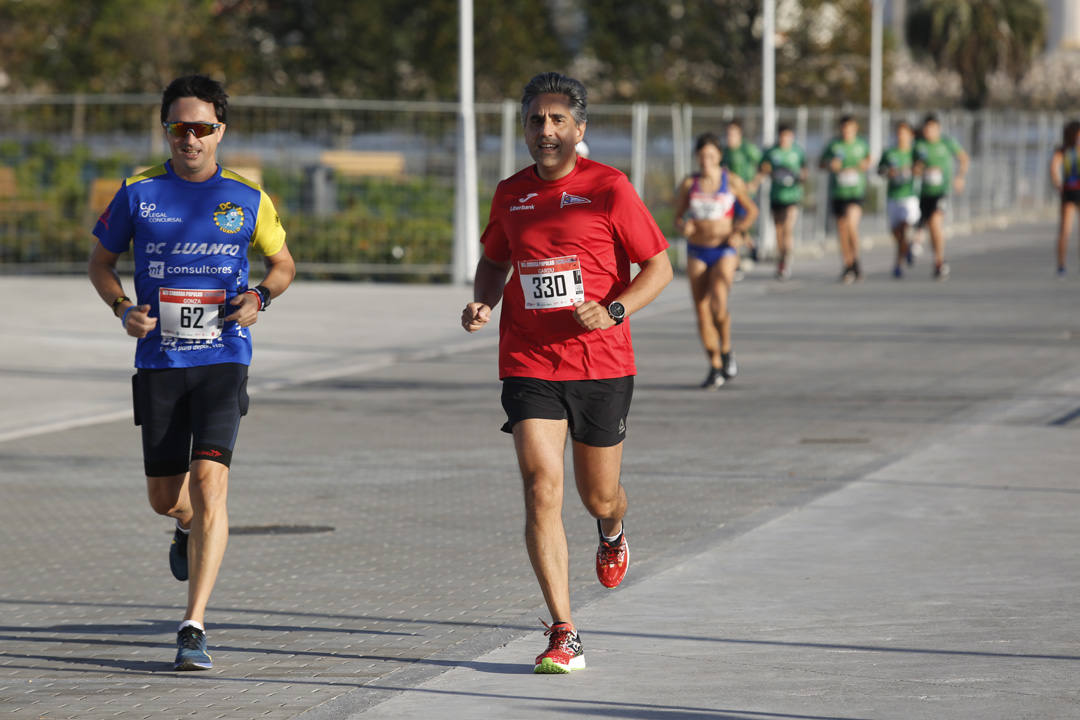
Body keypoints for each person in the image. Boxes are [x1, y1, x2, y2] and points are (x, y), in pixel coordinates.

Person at [461, 72, 672, 674]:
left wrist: (613, 310)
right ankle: (564, 629)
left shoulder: (609, 188)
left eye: (557, 120)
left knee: (597, 493)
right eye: (535, 120)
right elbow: (494, 259)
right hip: (529, 360)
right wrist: (485, 299)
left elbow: (658, 267)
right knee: (539, 485)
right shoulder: (510, 194)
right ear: (524, 128)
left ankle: (611, 528)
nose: (546, 130)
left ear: (579, 129)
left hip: (602, 363)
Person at [88, 75, 296, 671]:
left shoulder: (248, 197)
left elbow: (282, 265)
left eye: (203, 128)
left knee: (211, 484)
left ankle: (193, 624)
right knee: (167, 498)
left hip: (223, 358)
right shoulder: (137, 192)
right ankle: (184, 526)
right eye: (181, 128)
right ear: (167, 131)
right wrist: (122, 307)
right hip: (159, 361)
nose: (192, 138)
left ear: (220, 132)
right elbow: (101, 262)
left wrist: (261, 296)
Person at [674, 133, 758, 388]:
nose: (706, 160)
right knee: (701, 310)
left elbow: (751, 211)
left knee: (718, 303)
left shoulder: (731, 181)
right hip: (697, 250)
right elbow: (678, 217)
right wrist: (683, 227)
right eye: (702, 156)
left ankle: (727, 348)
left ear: (719, 156)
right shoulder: (690, 184)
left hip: (724, 249)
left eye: (711, 155)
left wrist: (739, 232)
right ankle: (715, 365)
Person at [914, 113, 969, 280]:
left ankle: (939, 261)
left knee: (936, 224)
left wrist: (959, 177)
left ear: (938, 129)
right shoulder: (919, 145)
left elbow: (964, 158)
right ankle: (929, 250)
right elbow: (914, 168)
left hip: (941, 191)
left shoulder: (946, 142)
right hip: (925, 192)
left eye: (932, 129)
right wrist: (922, 170)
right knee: (930, 227)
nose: (929, 132)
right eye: (926, 129)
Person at [820, 115, 871, 284]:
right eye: (844, 129)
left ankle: (856, 259)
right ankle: (848, 264)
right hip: (838, 192)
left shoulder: (861, 144)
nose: (847, 132)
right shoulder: (834, 145)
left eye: (850, 129)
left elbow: (869, 159)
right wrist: (830, 165)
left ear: (855, 129)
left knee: (851, 225)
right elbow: (821, 163)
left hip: (855, 192)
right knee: (842, 230)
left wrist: (864, 165)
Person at [756, 123, 806, 280]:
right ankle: (781, 259)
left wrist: (798, 177)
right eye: (782, 136)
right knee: (778, 230)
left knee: (787, 228)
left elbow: (804, 170)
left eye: (788, 136)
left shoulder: (797, 151)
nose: (785, 139)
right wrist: (766, 171)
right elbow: (762, 168)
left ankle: (786, 259)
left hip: (792, 196)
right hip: (776, 196)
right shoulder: (771, 152)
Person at [878, 120, 921, 279]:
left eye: (904, 133)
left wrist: (913, 170)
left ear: (910, 135)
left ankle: (898, 264)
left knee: (904, 228)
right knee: (897, 234)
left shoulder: (915, 152)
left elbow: (922, 167)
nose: (901, 136)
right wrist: (890, 173)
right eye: (899, 133)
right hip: (893, 196)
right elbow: (880, 170)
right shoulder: (890, 153)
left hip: (909, 196)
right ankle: (907, 249)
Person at [721, 119, 763, 270]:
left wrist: (754, 183)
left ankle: (737, 260)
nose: (730, 137)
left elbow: (763, 165)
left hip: (745, 195)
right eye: (728, 134)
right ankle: (748, 249)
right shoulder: (725, 152)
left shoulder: (747, 149)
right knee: (734, 226)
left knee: (738, 225)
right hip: (730, 195)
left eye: (733, 134)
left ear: (739, 135)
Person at [1050, 119, 1080, 277]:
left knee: (1065, 231)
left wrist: (1058, 184)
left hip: (1068, 191)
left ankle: (1061, 266)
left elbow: (1053, 169)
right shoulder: (1067, 150)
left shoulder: (1062, 150)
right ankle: (1061, 265)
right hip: (1071, 192)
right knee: (1065, 231)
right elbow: (1054, 169)